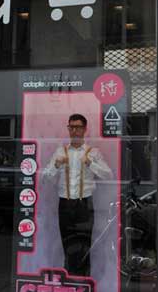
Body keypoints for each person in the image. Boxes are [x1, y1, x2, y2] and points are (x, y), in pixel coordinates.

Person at [42, 114, 112, 276]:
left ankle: (83, 280)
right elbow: (45, 178)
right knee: (66, 241)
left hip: (84, 204)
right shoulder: (60, 152)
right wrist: (56, 165)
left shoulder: (93, 153)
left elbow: (108, 175)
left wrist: (91, 163)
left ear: (84, 129)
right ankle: (69, 278)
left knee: (84, 243)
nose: (74, 131)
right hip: (65, 203)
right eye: (71, 127)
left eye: (78, 127)